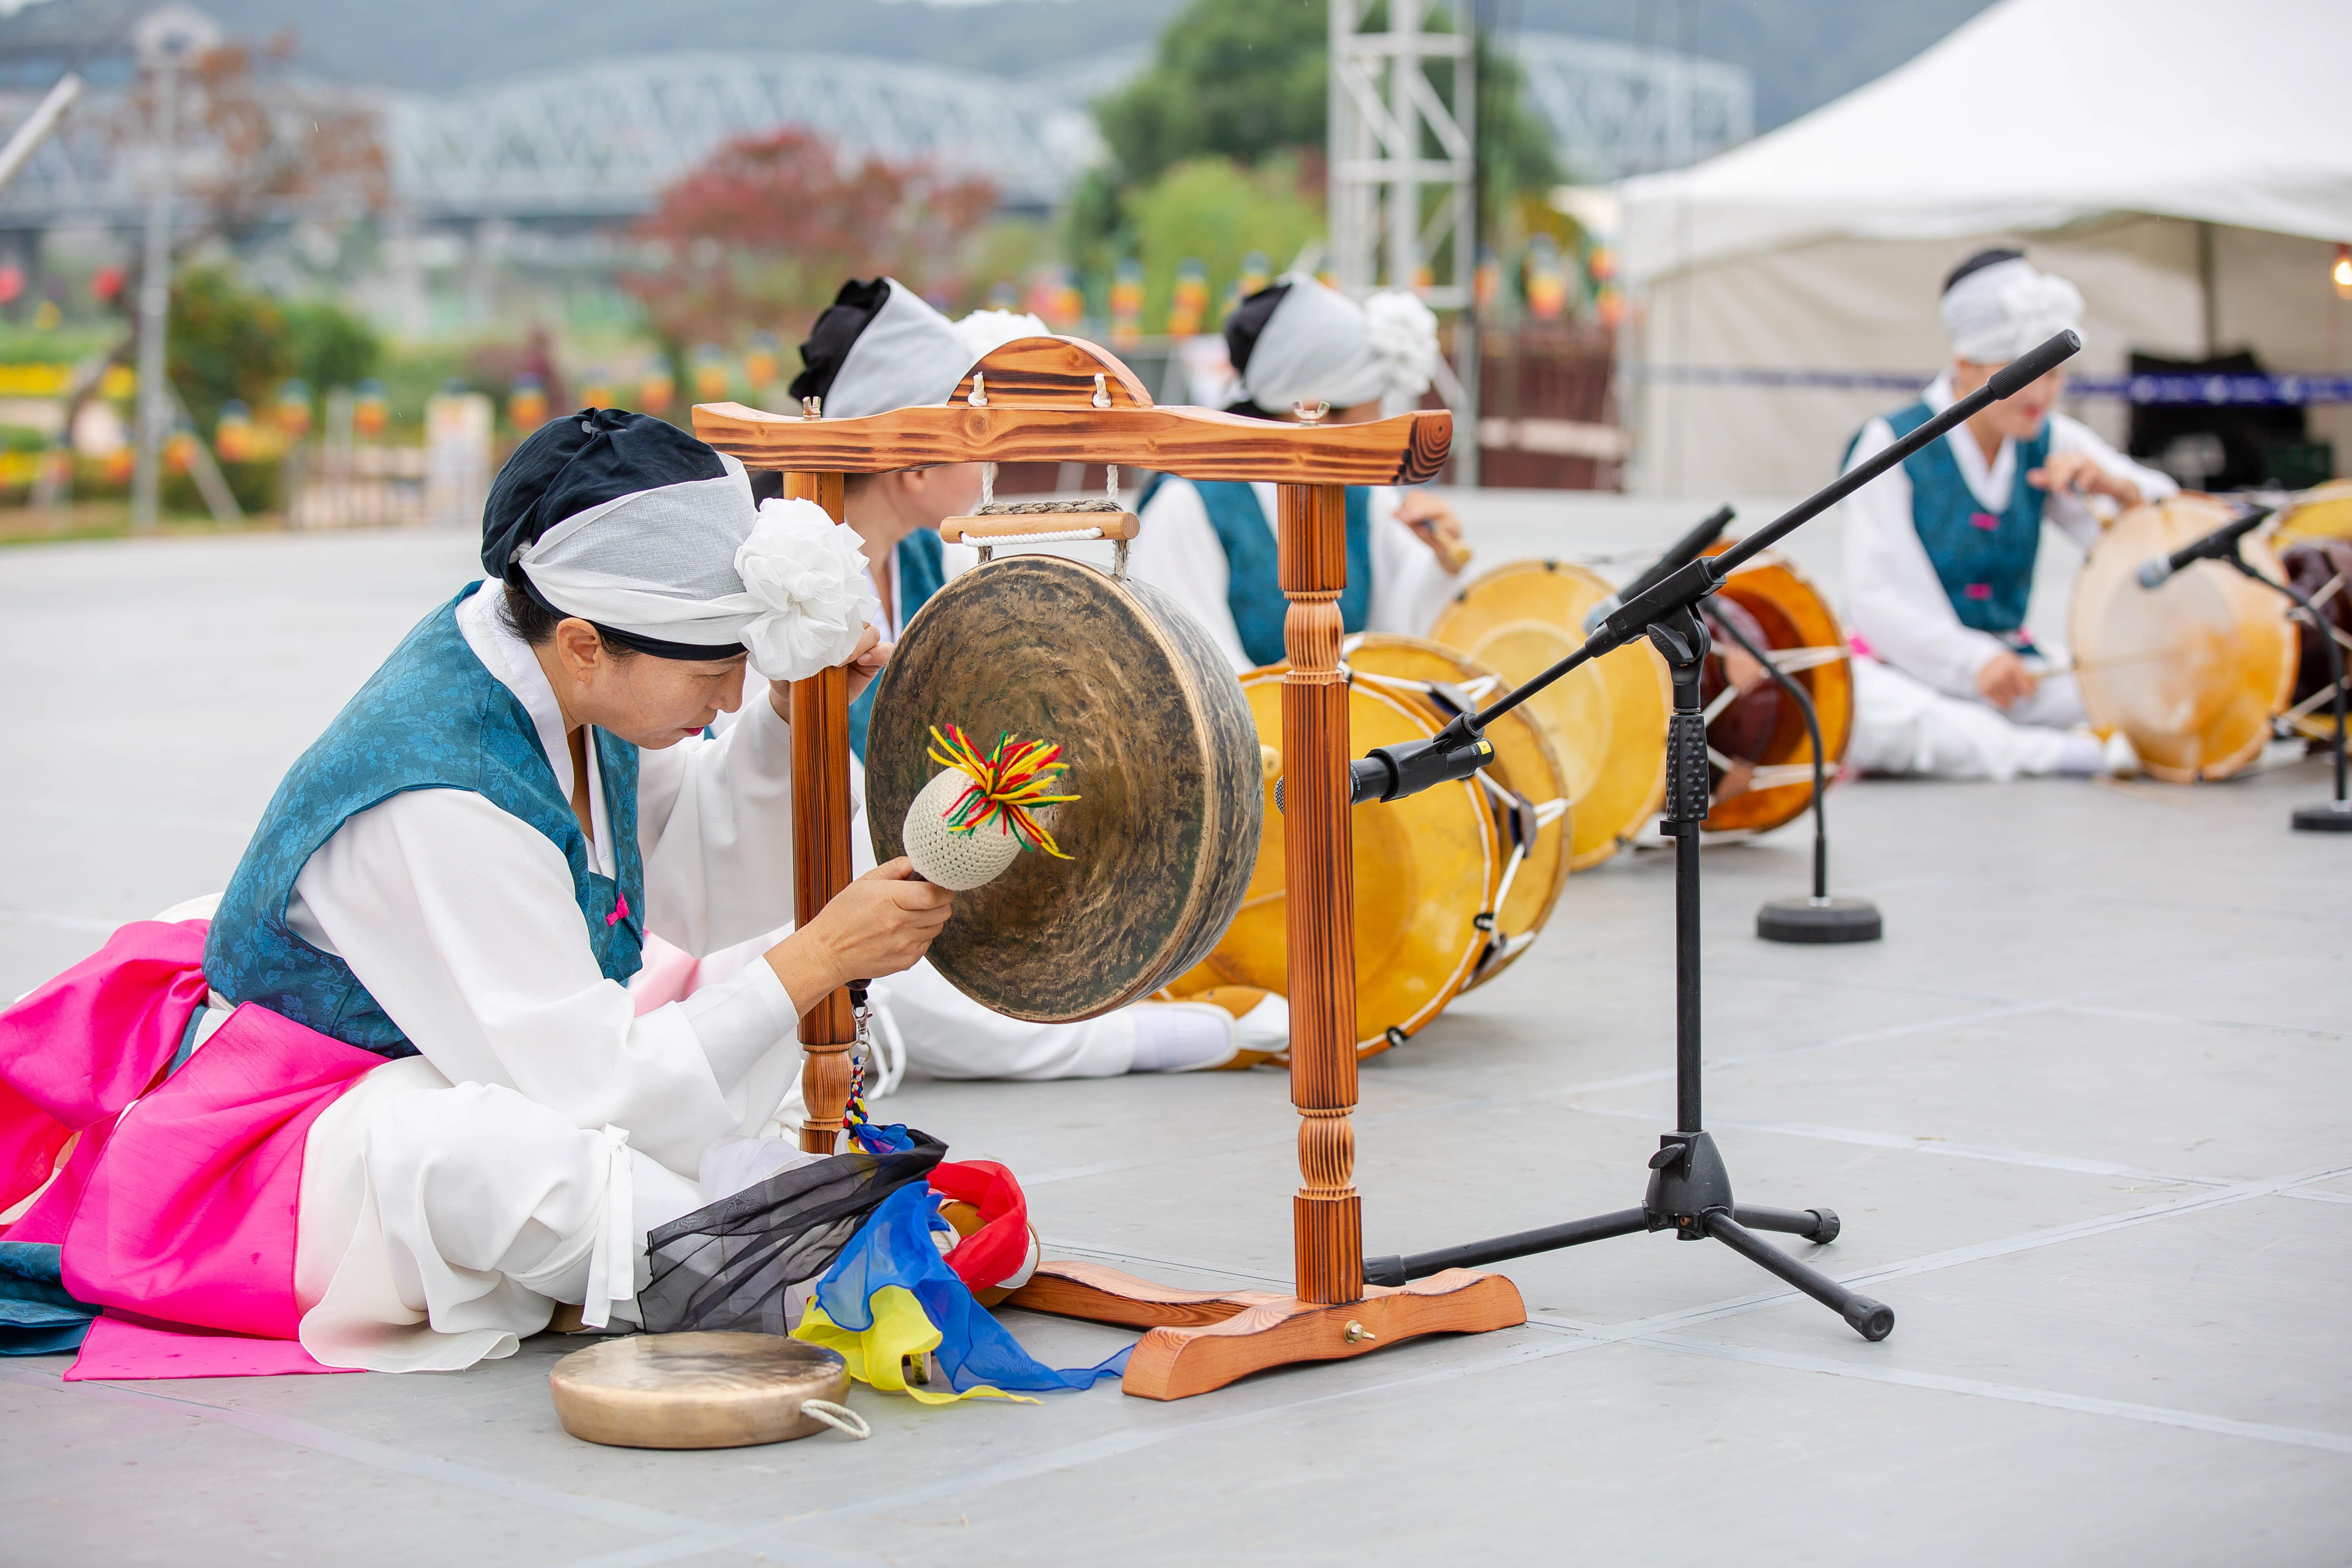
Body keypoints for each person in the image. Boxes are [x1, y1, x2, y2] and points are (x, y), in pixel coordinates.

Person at [0, 410, 956, 1372]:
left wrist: (785, 727)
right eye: (718, 671)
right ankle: (781, 1257)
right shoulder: (441, 791)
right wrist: (820, 956)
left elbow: (684, 871)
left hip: (468, 1049)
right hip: (288, 1116)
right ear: (586, 643)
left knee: (761, 993)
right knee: (490, 1160)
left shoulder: (560, 667)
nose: (732, 695)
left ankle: (754, 1232)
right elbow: (588, 1091)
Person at [699, 275, 1288, 1082]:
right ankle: (1160, 1036)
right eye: (974, 440)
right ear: (910, 471)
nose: (994, 460)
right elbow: (752, 787)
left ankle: (1145, 1004)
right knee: (946, 1001)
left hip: (934, 853)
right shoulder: (788, 578)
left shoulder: (917, 554)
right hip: (798, 888)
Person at [1841, 249, 2176, 780]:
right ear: (1966, 364)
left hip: (2017, 677)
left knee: (2151, 680)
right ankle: (2061, 753)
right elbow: (1876, 596)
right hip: (1909, 673)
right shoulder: (1889, 442)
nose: (2042, 394)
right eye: (2024, 374)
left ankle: (2009, 743)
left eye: (2055, 376)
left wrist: (2114, 488)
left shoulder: (2051, 439)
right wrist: (1972, 663)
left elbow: (2170, 528)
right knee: (1860, 709)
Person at [1126, 275, 1470, 669]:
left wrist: (1441, 564)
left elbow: (1399, 638)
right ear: (1311, 411)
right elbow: (1199, 678)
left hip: (1360, 729)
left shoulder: (1363, 495)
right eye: (1371, 409)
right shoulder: (1186, 504)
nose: (1380, 421)